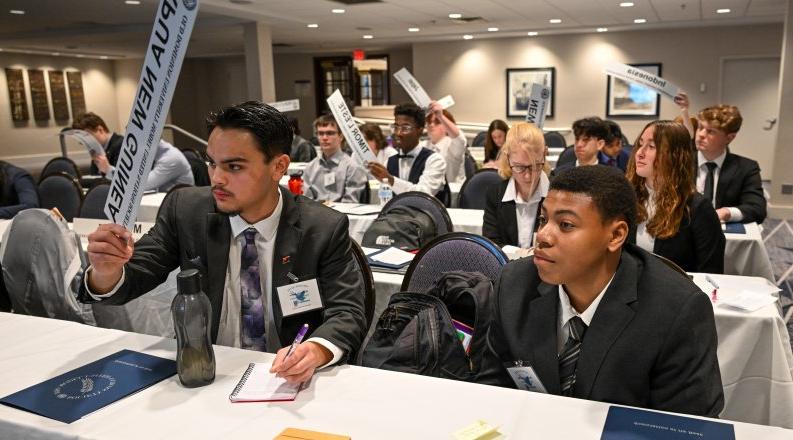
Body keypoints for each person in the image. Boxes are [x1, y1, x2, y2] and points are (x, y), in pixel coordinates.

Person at [78, 101, 367, 384]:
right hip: (209, 373)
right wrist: (107, 271)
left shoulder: (322, 227)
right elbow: (135, 275)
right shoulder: (186, 210)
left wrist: (316, 349)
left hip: (283, 378)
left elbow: (347, 312)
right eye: (212, 163)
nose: (216, 178)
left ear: (278, 167)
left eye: (234, 167)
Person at [481, 165, 724, 418]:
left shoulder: (676, 310)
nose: (542, 236)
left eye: (565, 224)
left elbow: (687, 426)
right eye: (544, 219)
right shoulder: (515, 284)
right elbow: (492, 386)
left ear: (616, 235)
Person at [627, 121, 725, 273]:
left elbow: (711, 273)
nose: (639, 153)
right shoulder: (626, 198)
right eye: (640, 144)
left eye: (651, 147)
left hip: (677, 293)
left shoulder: (697, 208)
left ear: (674, 156)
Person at [695, 105, 766, 224]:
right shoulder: (679, 162)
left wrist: (727, 213)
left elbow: (757, 209)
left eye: (710, 131)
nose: (701, 134)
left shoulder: (746, 168)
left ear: (729, 138)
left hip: (725, 234)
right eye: (700, 127)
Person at [483, 122, 548, 249]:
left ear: (545, 154)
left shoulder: (558, 194)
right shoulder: (495, 194)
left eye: (535, 166)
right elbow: (491, 245)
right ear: (507, 158)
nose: (528, 176)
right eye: (519, 167)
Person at [367, 103, 448, 199]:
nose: (398, 133)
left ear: (420, 131)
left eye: (405, 128)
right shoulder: (389, 162)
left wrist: (391, 180)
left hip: (426, 213)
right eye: (396, 127)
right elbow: (385, 198)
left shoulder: (435, 160)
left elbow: (423, 194)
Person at [302, 115, 368, 203]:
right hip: (315, 214)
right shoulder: (310, 168)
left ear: (341, 136)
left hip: (343, 214)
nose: (324, 138)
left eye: (330, 133)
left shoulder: (353, 168)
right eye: (320, 133)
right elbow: (306, 201)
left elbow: (350, 203)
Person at [94, 139, 195, 192]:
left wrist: (108, 170)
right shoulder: (151, 153)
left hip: (182, 209)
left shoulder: (171, 158)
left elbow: (141, 186)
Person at [424, 102, 468, 185]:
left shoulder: (452, 145)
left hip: (452, 194)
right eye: (429, 122)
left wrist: (440, 116)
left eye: (437, 122)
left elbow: (460, 139)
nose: (431, 125)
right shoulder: (424, 145)